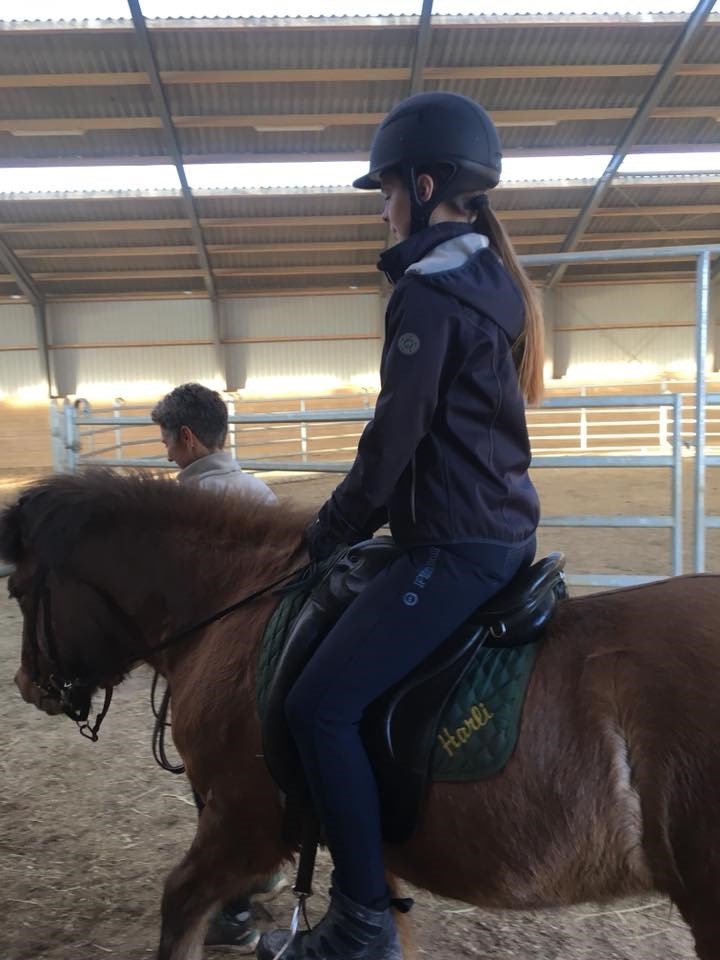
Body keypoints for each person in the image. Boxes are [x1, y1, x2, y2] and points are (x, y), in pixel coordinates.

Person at [257, 91, 545, 960]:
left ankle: (361, 924)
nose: (382, 210)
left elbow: (394, 440)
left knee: (319, 707)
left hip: (455, 546)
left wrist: (333, 526)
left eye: (386, 192)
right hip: (496, 529)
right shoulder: (489, 282)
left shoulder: (428, 293)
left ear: (423, 187)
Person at [151, 382, 285, 952]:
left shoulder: (178, 509)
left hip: (214, 668)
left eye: (166, 441)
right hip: (273, 658)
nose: (165, 453)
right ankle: (262, 871)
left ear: (187, 437)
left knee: (218, 789)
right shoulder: (258, 492)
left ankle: (232, 910)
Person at [151, 382, 278, 505]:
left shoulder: (184, 502)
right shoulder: (262, 491)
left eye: (167, 444)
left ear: (186, 437)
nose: (169, 457)